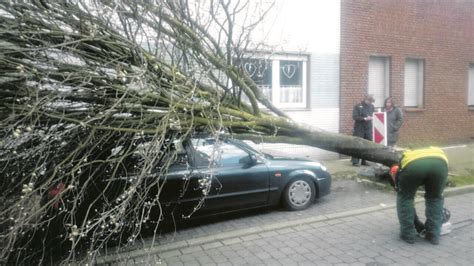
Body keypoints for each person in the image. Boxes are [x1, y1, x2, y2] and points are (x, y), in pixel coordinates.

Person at [390, 147, 448, 245]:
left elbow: (400, 186)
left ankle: (408, 234)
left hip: (414, 166)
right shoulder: (431, 151)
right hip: (440, 163)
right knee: (435, 198)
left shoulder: (404, 160)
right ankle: (433, 234)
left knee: (405, 198)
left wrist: (400, 188)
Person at [351, 94, 375, 166]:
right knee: (357, 144)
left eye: (371, 102)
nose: (370, 103)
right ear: (365, 99)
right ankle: (355, 161)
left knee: (367, 145)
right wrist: (364, 118)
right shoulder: (358, 106)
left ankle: (364, 161)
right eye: (369, 101)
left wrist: (372, 117)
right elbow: (354, 117)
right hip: (359, 128)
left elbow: (373, 114)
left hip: (368, 128)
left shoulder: (372, 106)